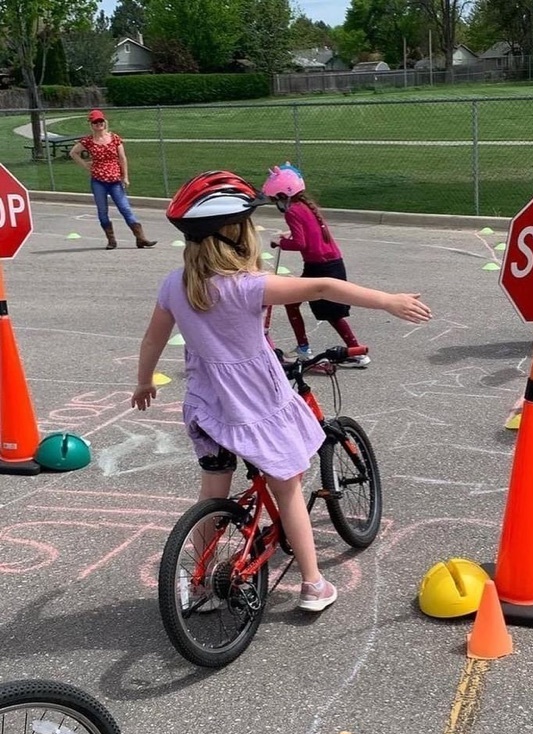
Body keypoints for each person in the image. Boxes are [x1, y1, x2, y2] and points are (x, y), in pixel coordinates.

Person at [130, 170, 432, 611]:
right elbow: (324, 285)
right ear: (236, 234)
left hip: (207, 405)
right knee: (287, 487)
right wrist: (388, 300)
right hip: (254, 402)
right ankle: (313, 585)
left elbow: (153, 339)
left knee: (213, 491)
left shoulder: (175, 284)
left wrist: (143, 382)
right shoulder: (248, 286)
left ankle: (197, 580)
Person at [262, 163, 370, 368]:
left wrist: (280, 242)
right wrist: (289, 235)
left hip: (321, 267)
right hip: (328, 263)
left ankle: (353, 352)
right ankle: (308, 348)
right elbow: (310, 237)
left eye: (275, 200)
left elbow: (301, 243)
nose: (276, 204)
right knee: (299, 304)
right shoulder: (305, 206)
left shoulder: (292, 212)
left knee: (331, 313)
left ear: (282, 197)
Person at [69, 109, 157, 250]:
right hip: (98, 180)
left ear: (105, 122)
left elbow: (122, 158)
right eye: (95, 122)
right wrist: (86, 165)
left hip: (115, 180)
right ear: (91, 125)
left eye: (101, 121)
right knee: (102, 211)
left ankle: (141, 238)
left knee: (125, 208)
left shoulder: (114, 138)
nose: (99, 124)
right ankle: (111, 240)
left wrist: (125, 176)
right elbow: (73, 153)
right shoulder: (88, 141)